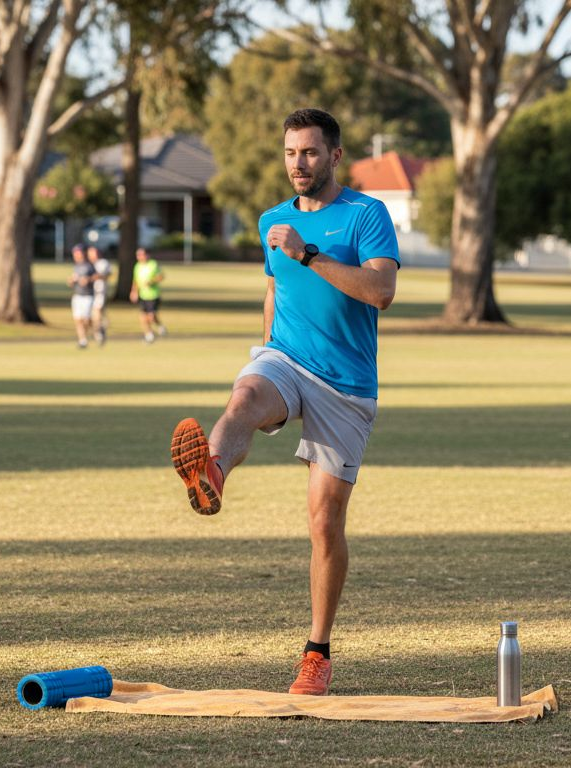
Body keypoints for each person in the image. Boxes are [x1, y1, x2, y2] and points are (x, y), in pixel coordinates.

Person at [169, 108, 399, 696]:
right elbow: (272, 292)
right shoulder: (273, 219)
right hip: (286, 359)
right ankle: (211, 472)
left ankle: (317, 652)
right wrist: (266, 345)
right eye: (291, 152)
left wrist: (307, 255)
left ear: (335, 157)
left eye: (311, 153)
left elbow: (381, 291)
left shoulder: (366, 215)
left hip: (346, 386)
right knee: (244, 394)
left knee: (324, 523)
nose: (299, 163)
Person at [130, 247, 167, 343]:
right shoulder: (137, 266)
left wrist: (151, 281)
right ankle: (149, 334)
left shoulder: (153, 264)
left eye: (141, 255)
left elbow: (161, 276)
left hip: (153, 295)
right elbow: (136, 280)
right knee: (143, 317)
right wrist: (134, 292)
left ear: (147, 255)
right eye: (138, 255)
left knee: (151, 316)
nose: (139, 257)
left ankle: (159, 325)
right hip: (143, 295)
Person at [67, 244, 96, 349]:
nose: (76, 255)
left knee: (86, 319)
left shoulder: (89, 265)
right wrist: (71, 281)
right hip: (77, 295)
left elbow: (98, 276)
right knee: (78, 319)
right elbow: (74, 279)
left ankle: (95, 330)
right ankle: (82, 340)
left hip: (88, 295)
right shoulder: (76, 266)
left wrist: (88, 279)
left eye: (78, 252)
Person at [88, 245, 112, 345]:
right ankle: (101, 329)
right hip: (88, 293)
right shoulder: (87, 264)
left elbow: (107, 275)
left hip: (100, 292)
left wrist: (93, 277)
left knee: (97, 312)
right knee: (91, 316)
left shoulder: (103, 263)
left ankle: (100, 332)